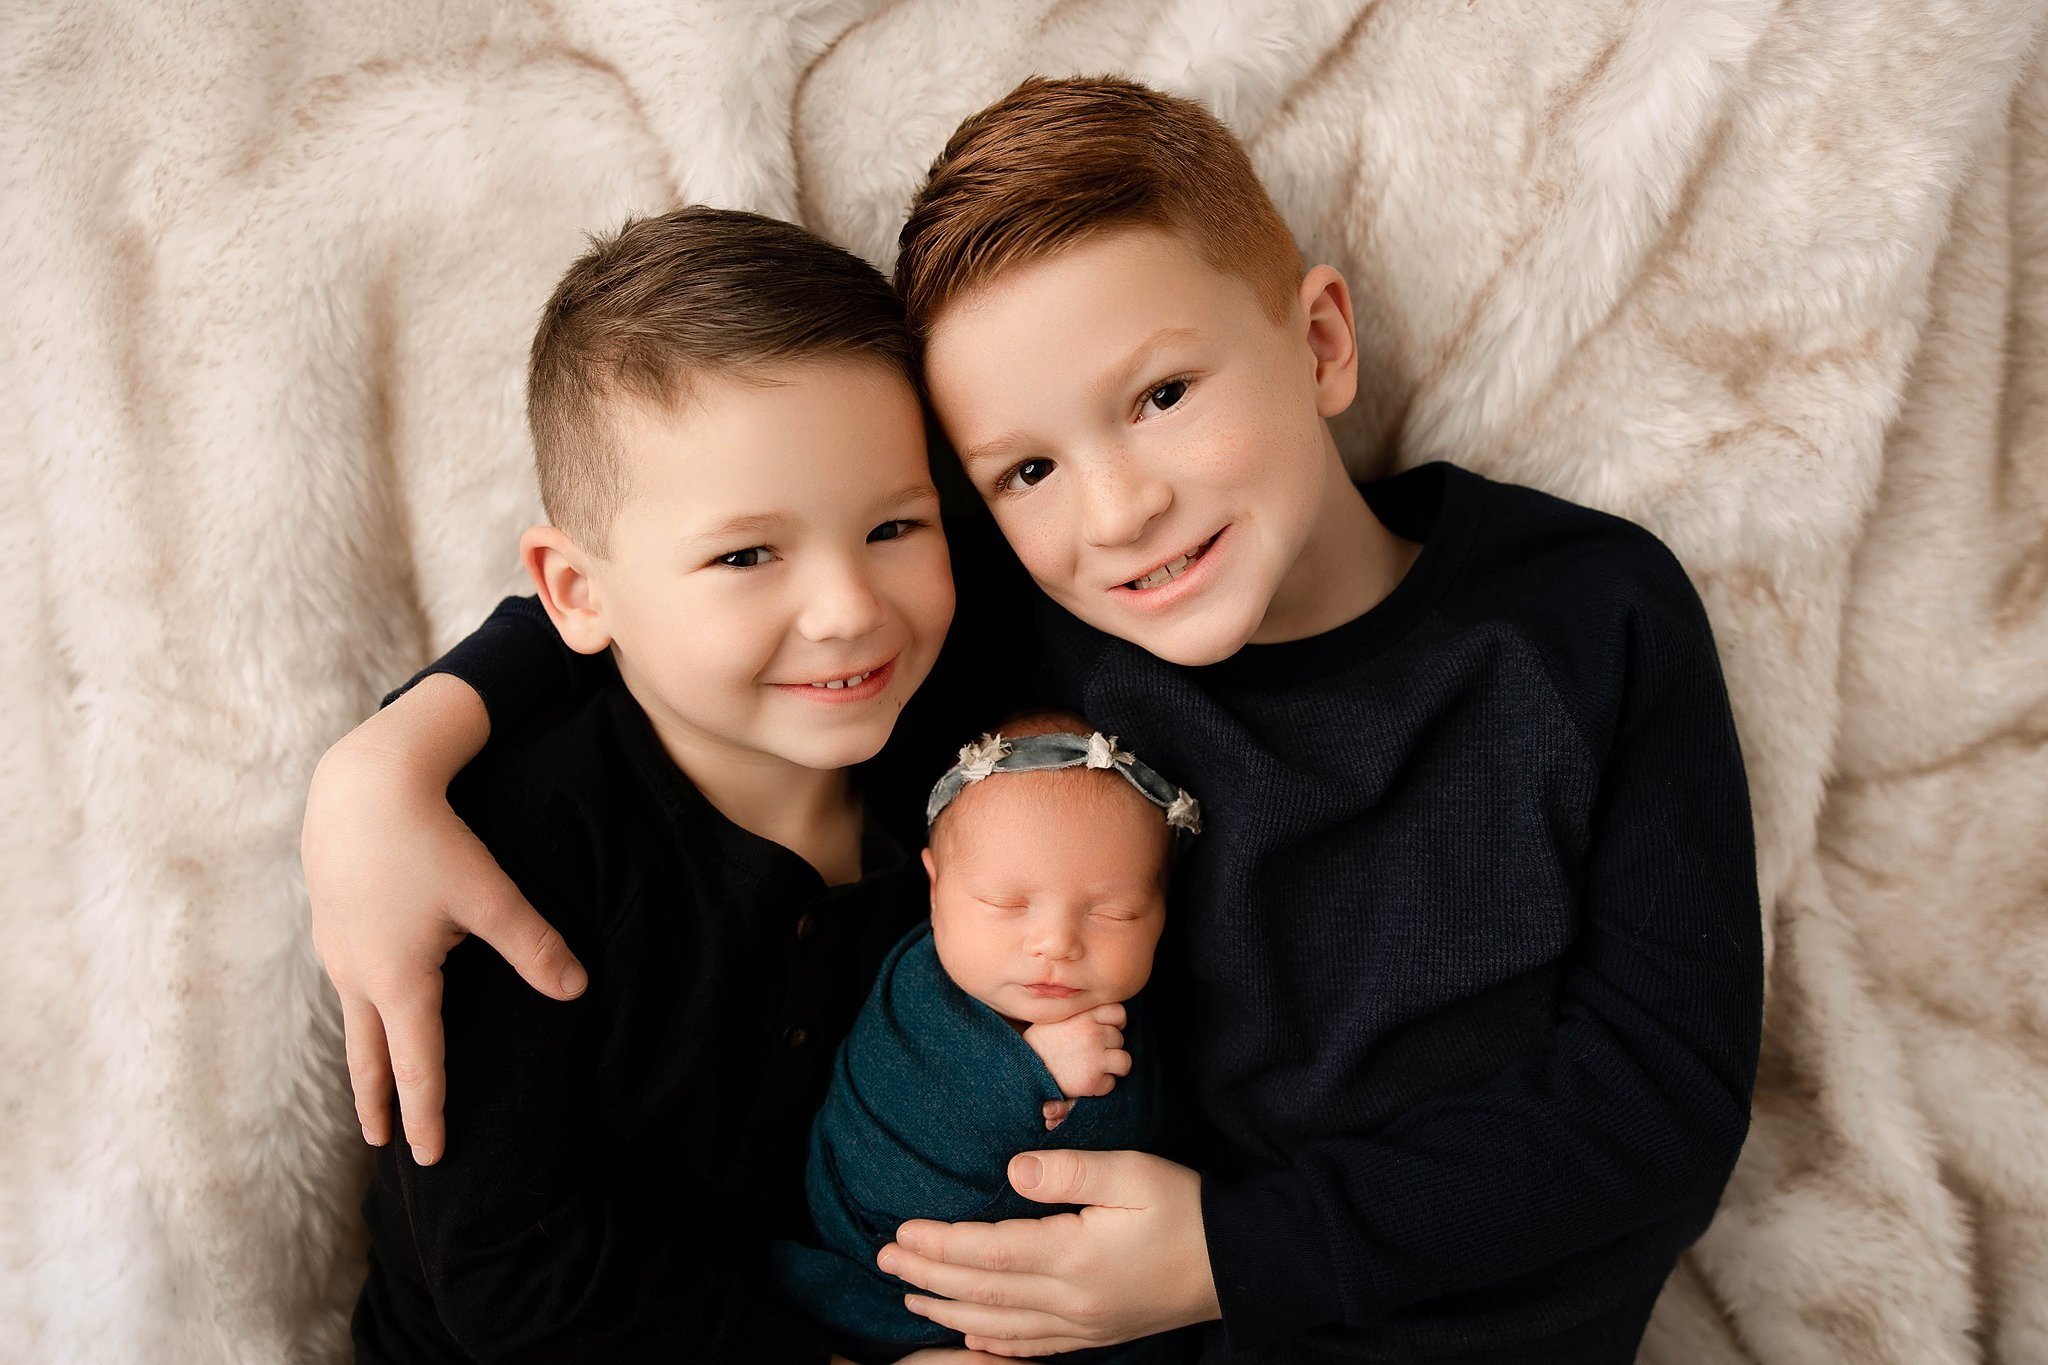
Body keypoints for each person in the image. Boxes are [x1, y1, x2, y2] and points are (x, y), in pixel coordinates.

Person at [307, 76, 1765, 1363]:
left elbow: (1657, 1102)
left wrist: (1223, 1255)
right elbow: (705, 589)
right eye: (1021, 473)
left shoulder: (1588, 617)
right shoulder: (1023, 629)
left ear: (1322, 341)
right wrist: (396, 754)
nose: (1121, 508)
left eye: (1166, 394)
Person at [344, 204, 1007, 1365]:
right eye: (747, 555)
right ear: (576, 591)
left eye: (895, 524)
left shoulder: (958, 756)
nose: (849, 607)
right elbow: (509, 1277)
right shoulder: (505, 850)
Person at [776, 710, 1201, 1365]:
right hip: (890, 1302)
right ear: (936, 889)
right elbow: (881, 1157)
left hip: (1097, 1310)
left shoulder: (1153, 1021)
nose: (1056, 943)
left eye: (1114, 912)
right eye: (1007, 904)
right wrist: (1031, 1073)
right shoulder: (915, 995)